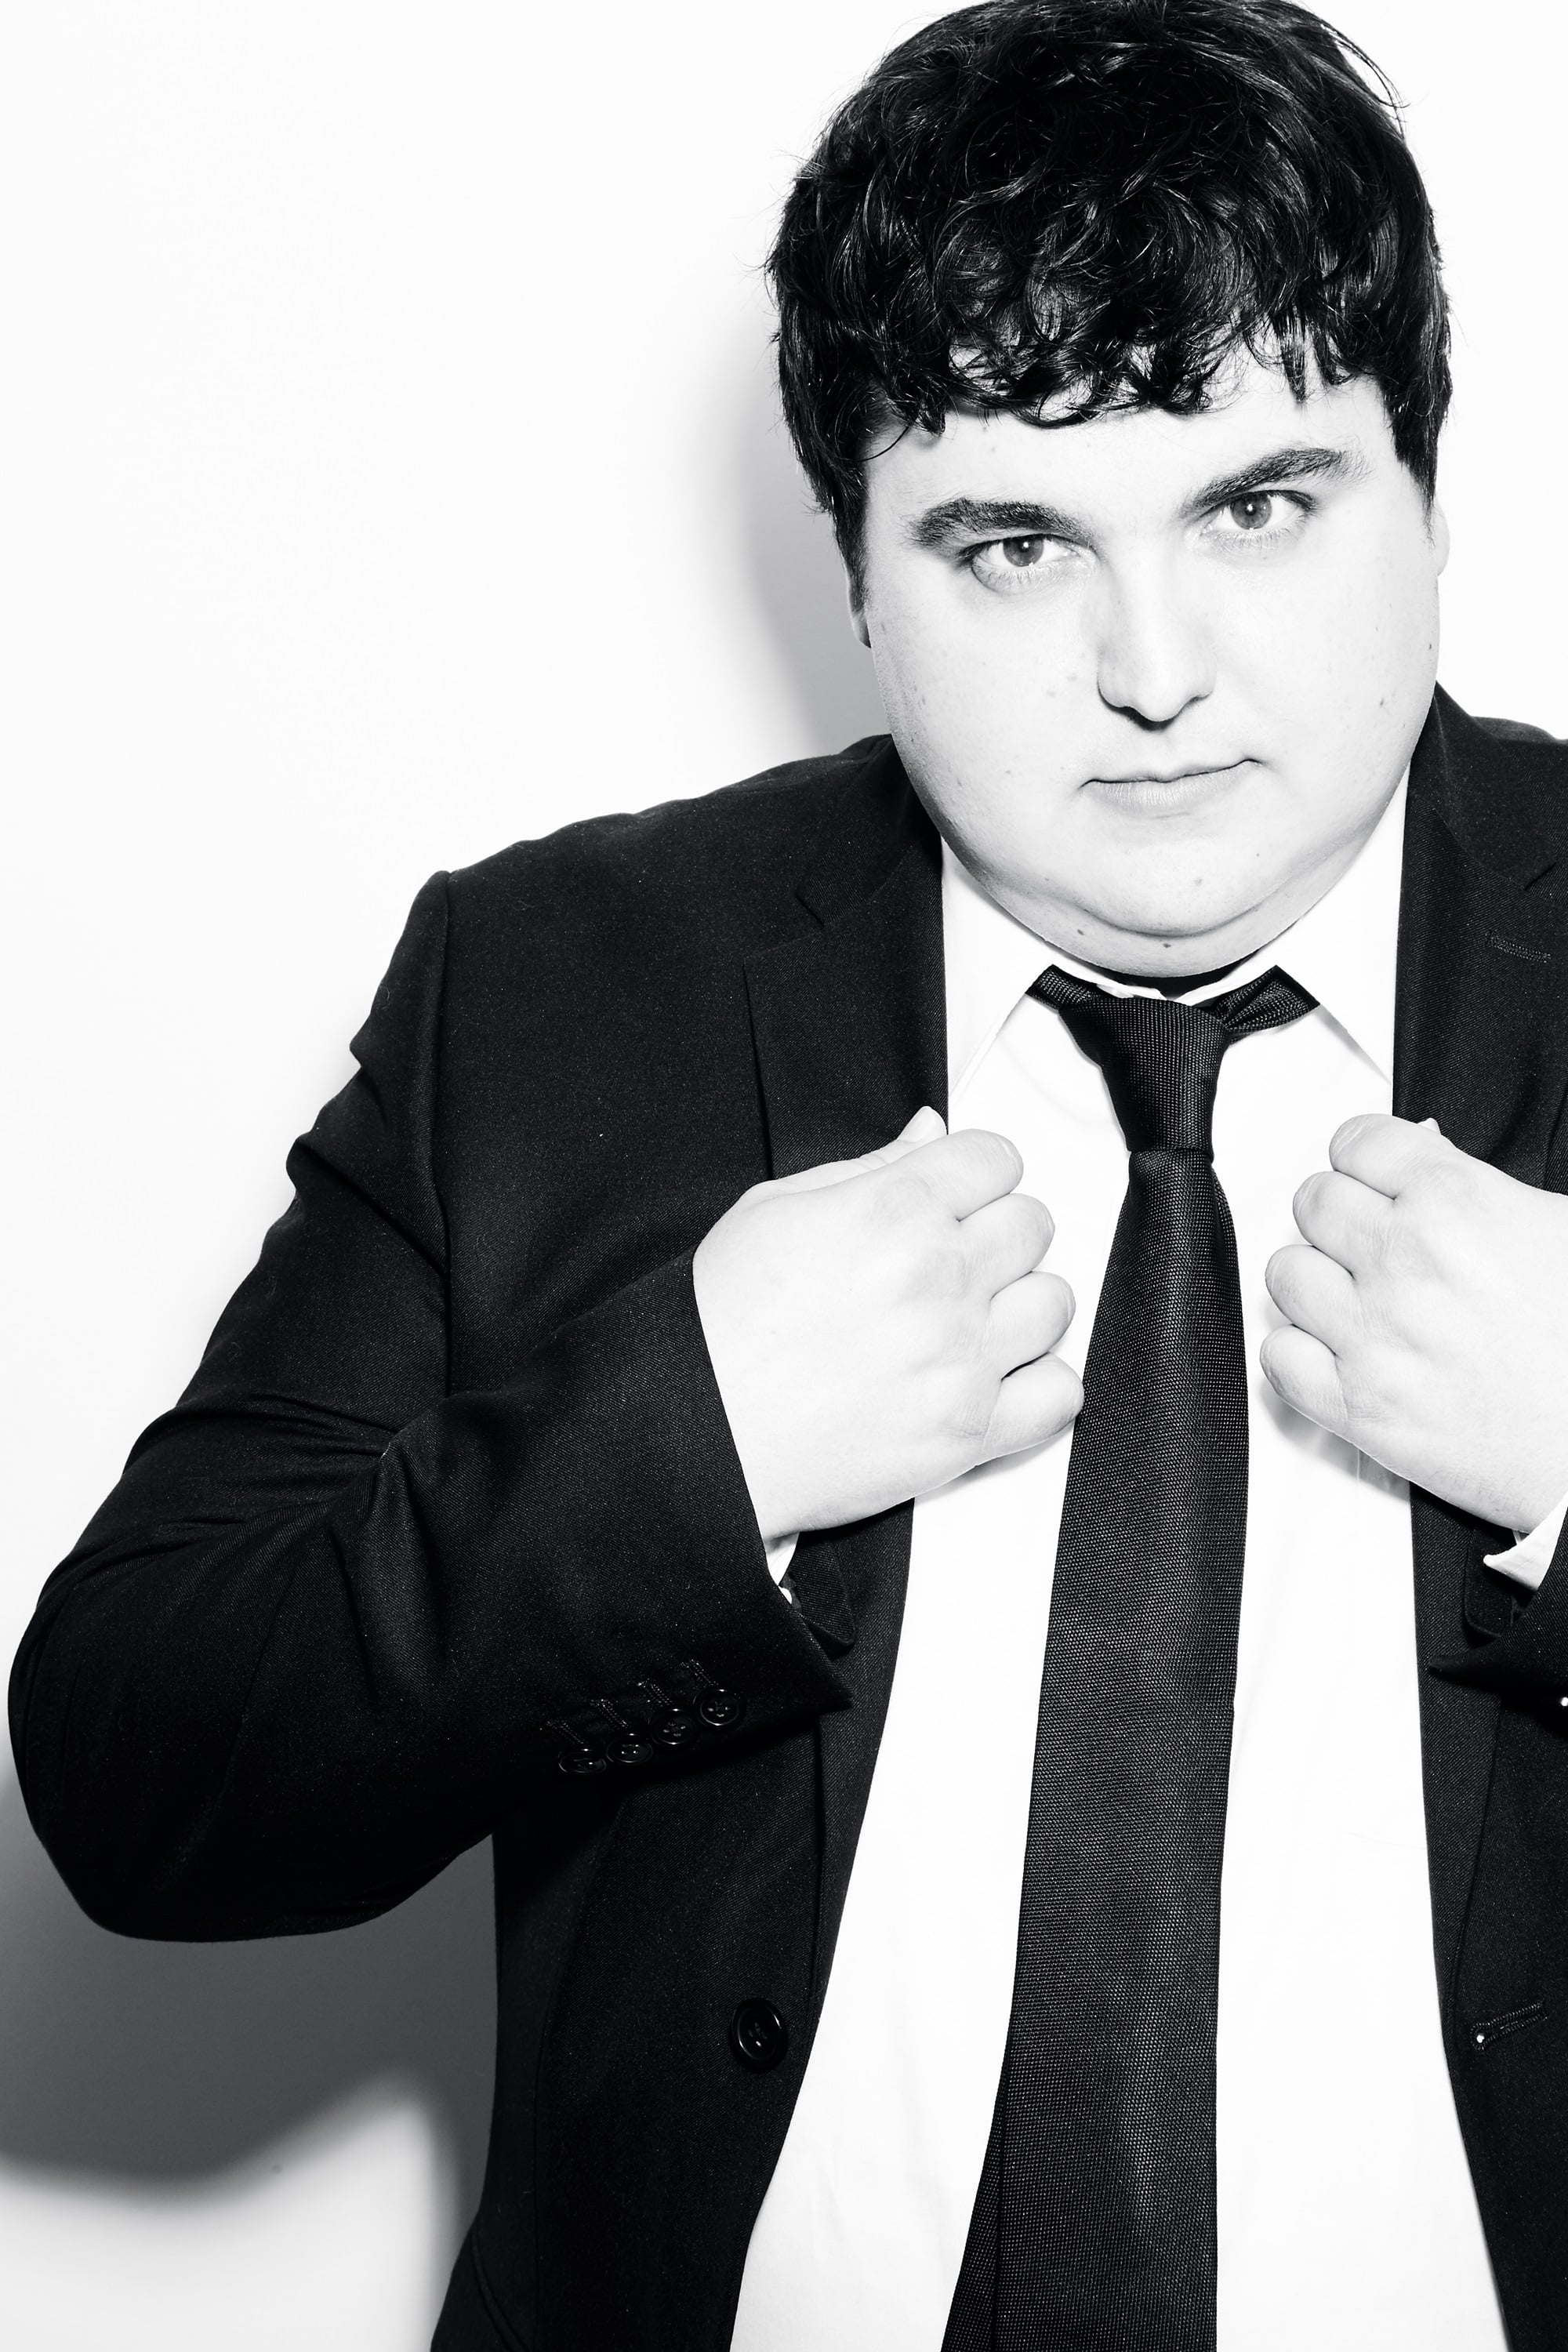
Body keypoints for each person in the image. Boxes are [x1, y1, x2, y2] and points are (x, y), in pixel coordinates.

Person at [13, 0, 1568, 2343]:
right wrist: (681, 1442)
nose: (1156, 668)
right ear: (856, 572)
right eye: (1014, 542)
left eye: (1258, 508)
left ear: (1429, 495)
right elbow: (137, 1774)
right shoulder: (557, 990)